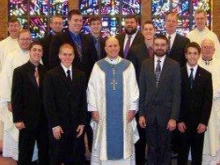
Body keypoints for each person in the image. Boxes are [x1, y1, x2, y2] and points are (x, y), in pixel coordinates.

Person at [87, 37, 139, 165]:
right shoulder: (98, 66)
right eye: (110, 46)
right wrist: (93, 109)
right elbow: (91, 88)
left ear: (119, 47)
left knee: (125, 145)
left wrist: (132, 108)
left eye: (115, 45)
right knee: (104, 144)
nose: (113, 48)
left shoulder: (128, 65)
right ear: (105, 48)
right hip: (103, 114)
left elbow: (134, 88)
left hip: (124, 114)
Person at [139, 34, 181, 165]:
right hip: (149, 115)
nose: (159, 47)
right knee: (151, 148)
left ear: (167, 47)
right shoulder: (145, 64)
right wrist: (141, 114)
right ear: (153, 46)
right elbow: (142, 91)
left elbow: (176, 94)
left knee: (165, 149)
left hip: (166, 116)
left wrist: (173, 117)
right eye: (157, 44)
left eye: (163, 45)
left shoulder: (174, 65)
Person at [44, 43, 87, 165]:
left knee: (74, 157)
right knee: (56, 157)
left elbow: (83, 100)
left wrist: (82, 122)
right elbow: (49, 102)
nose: (67, 57)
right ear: (59, 56)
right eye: (64, 54)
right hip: (58, 125)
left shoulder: (81, 75)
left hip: (75, 125)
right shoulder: (50, 75)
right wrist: (54, 125)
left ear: (74, 56)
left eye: (70, 55)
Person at [0, 30, 38, 161]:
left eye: (28, 39)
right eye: (23, 39)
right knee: (18, 131)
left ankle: (32, 157)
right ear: (18, 40)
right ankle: (17, 156)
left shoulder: (35, 54)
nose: (25, 41)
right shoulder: (11, 56)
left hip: (33, 105)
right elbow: (5, 79)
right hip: (17, 102)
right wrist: (8, 101)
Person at [11, 41, 49, 165]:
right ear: (30, 52)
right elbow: (16, 97)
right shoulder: (20, 71)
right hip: (26, 120)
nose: (37, 53)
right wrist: (17, 119)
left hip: (43, 119)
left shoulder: (46, 71)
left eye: (40, 50)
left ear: (42, 53)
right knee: (25, 152)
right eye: (35, 50)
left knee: (44, 152)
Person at [177, 42, 213, 165]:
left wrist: (204, 122)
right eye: (190, 53)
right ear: (186, 55)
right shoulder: (178, 73)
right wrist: (179, 120)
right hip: (183, 123)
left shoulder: (206, 75)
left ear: (199, 55)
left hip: (199, 123)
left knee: (197, 156)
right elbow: (176, 98)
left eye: (195, 53)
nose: (192, 56)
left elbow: (208, 101)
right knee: (182, 154)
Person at [49, 9, 97, 77]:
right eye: (76, 20)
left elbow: (94, 60)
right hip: (65, 79)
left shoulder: (89, 39)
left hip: (86, 80)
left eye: (80, 21)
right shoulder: (58, 39)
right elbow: (53, 62)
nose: (78, 23)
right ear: (69, 21)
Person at [198, 39, 220, 164]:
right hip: (200, 107)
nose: (207, 49)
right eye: (205, 47)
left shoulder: (219, 64)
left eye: (209, 47)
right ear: (201, 49)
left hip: (216, 106)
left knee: (215, 135)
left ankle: (216, 160)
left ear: (214, 50)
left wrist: (211, 95)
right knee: (203, 137)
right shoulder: (196, 63)